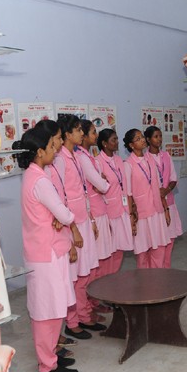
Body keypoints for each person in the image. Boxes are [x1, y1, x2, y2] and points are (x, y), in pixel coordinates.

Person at [13, 124, 80, 372]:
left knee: (52, 307)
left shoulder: (34, 175)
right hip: (45, 254)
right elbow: (63, 212)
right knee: (45, 311)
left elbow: (56, 212)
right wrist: (63, 217)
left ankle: (51, 355)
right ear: (40, 151)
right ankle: (47, 366)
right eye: (53, 146)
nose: (57, 150)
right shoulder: (39, 179)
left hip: (47, 250)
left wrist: (59, 216)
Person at [45, 116, 104, 340]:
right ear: (67, 134)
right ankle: (73, 321)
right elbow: (61, 196)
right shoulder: (59, 160)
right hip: (71, 223)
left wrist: (91, 219)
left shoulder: (76, 156)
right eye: (78, 130)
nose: (82, 134)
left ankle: (83, 313)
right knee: (74, 275)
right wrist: (72, 229)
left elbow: (82, 191)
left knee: (85, 272)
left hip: (82, 220)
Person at [75, 119, 114, 319]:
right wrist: (102, 184)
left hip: (100, 209)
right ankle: (89, 305)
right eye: (92, 132)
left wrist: (102, 183)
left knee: (100, 263)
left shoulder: (88, 156)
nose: (95, 136)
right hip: (93, 214)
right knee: (93, 264)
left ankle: (95, 301)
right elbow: (101, 184)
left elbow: (101, 182)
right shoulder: (80, 157)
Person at [123, 128, 169, 268]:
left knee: (159, 248)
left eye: (142, 137)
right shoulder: (128, 164)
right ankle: (145, 283)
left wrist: (165, 209)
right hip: (141, 214)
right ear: (131, 145)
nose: (142, 140)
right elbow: (128, 195)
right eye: (138, 139)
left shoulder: (150, 159)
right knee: (143, 252)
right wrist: (131, 218)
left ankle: (157, 280)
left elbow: (159, 187)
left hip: (156, 210)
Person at [97, 128, 134, 273]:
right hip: (108, 212)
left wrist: (130, 212)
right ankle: (105, 280)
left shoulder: (119, 160)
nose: (117, 142)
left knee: (120, 248)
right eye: (114, 139)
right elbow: (99, 191)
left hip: (122, 209)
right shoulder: (98, 162)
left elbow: (124, 186)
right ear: (104, 143)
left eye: (117, 139)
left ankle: (113, 278)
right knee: (108, 250)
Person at [144, 126, 181, 268]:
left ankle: (167, 271)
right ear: (148, 139)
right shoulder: (145, 159)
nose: (159, 139)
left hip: (169, 203)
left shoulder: (166, 156)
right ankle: (154, 274)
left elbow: (173, 178)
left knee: (170, 241)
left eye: (160, 136)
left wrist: (167, 190)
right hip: (155, 207)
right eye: (155, 137)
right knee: (156, 243)